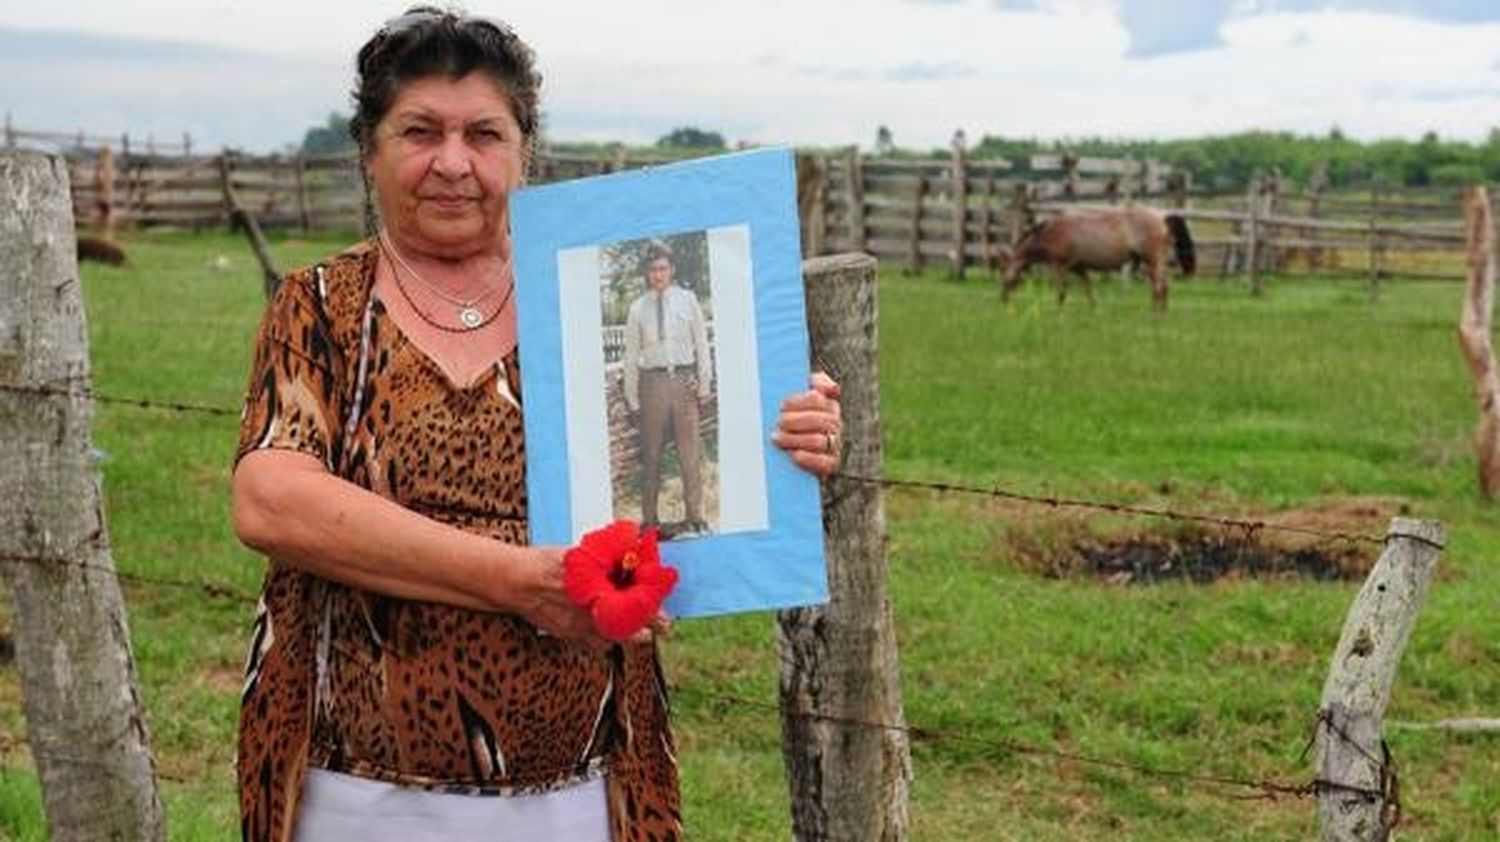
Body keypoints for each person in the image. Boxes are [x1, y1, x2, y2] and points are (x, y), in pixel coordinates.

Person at [229, 7, 843, 842]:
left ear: (525, 152)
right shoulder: (322, 308)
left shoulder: (577, 298)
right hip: (356, 792)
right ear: (369, 152)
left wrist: (782, 434)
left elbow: (691, 482)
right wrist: (518, 581)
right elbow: (272, 500)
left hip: (583, 784)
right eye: (419, 132)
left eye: (483, 133)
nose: (452, 163)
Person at [621, 243, 713, 536]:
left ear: (671, 270)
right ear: (647, 274)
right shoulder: (638, 308)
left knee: (690, 455)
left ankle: (696, 518)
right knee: (652, 456)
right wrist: (633, 400)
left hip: (684, 381)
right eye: (652, 270)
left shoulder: (688, 301)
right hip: (653, 385)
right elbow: (631, 357)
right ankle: (649, 522)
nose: (657, 275)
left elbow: (701, 344)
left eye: (662, 268)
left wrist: (704, 384)